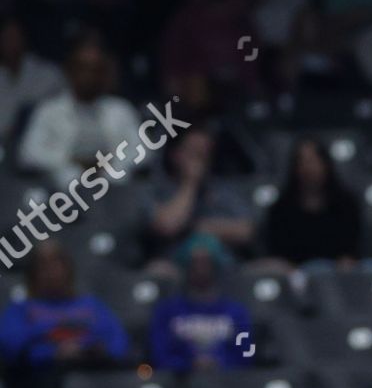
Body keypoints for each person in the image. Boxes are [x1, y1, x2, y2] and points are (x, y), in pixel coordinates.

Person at [0, 244, 131, 388]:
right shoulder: (21, 310)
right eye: (44, 267)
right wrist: (52, 352)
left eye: (57, 266)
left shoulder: (91, 305)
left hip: (92, 370)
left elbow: (118, 343)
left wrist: (87, 350)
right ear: (33, 275)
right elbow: (11, 347)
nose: (52, 274)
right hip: (44, 378)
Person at [17, 39, 143, 191]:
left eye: (96, 70)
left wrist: (112, 162)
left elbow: (143, 152)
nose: (88, 76)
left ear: (104, 74)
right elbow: (28, 153)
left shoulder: (121, 110)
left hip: (112, 193)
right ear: (69, 71)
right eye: (82, 68)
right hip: (61, 196)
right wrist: (70, 161)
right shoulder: (49, 111)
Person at [143, 127, 257, 261]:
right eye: (194, 152)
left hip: (222, 263)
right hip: (174, 264)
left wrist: (197, 228)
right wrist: (190, 184)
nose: (200, 160)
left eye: (205, 154)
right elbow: (167, 226)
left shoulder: (222, 188)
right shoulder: (158, 188)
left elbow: (246, 231)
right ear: (176, 154)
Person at [147, 234, 255, 373]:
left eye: (205, 262)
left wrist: (220, 363)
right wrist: (187, 364)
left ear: (216, 264)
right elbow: (158, 355)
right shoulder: (167, 312)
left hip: (228, 387)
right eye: (195, 262)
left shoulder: (237, 313)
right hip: (180, 386)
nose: (200, 269)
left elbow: (247, 353)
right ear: (186, 265)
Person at [263, 137, 365, 266]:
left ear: (325, 164)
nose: (308, 168)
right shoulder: (281, 208)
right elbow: (278, 252)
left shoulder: (346, 203)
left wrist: (347, 261)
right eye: (302, 162)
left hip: (338, 273)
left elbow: (352, 247)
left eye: (312, 161)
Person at [0, 17, 65, 143]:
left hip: (45, 146)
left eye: (15, 36)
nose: (11, 42)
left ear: (24, 38)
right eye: (6, 37)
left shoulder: (49, 74)